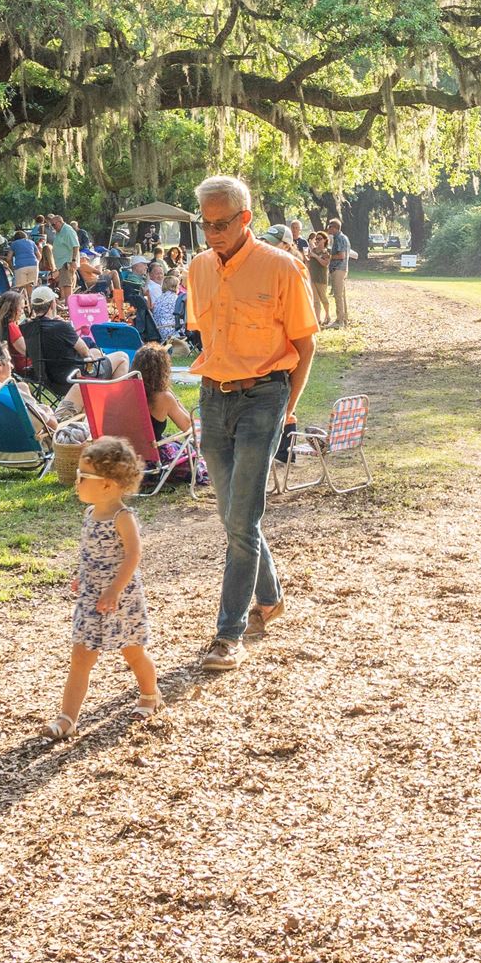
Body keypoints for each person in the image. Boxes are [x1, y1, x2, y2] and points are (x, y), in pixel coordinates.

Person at [184, 172, 318, 672]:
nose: (212, 233)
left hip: (264, 397)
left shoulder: (281, 268)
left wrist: (287, 407)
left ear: (245, 219)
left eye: (221, 224)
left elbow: (305, 345)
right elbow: (206, 335)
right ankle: (272, 596)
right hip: (213, 398)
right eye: (205, 225)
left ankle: (228, 634)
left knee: (241, 519)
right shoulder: (198, 269)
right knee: (231, 516)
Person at [49, 435, 162, 738]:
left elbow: (133, 554)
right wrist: (81, 575)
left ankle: (150, 695)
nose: (77, 480)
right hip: (90, 596)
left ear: (108, 485)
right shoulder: (89, 513)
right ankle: (67, 718)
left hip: (121, 598)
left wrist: (114, 589)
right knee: (81, 657)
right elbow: (90, 553)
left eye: (83, 476)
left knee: (133, 652)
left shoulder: (122, 517)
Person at [0, 339, 58, 443]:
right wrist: (49, 412)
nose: (12, 366)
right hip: (29, 449)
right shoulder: (11, 393)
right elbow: (53, 426)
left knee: (22, 386)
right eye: (8, 361)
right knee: (76, 392)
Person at [21, 284, 99, 397]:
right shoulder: (61, 327)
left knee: (92, 348)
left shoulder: (26, 327)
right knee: (121, 357)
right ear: (53, 304)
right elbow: (85, 353)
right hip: (71, 379)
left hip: (46, 381)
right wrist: (62, 325)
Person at [304, 228, 334, 327]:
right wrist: (306, 258)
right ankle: (317, 319)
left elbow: (325, 264)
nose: (317, 241)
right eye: (316, 239)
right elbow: (309, 263)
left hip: (321, 278)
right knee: (315, 300)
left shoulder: (326, 251)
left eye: (319, 239)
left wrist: (316, 256)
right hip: (312, 277)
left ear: (325, 240)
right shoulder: (313, 250)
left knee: (323, 298)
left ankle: (327, 315)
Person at [328, 222, 354, 328]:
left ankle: (339, 321)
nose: (328, 229)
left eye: (330, 227)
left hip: (338, 269)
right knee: (341, 295)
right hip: (342, 269)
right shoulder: (344, 237)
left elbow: (341, 255)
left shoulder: (339, 238)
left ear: (335, 228)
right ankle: (344, 318)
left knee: (338, 295)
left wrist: (329, 256)